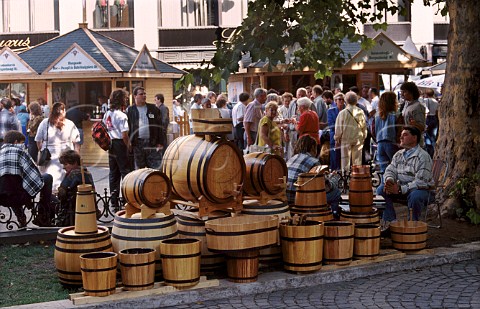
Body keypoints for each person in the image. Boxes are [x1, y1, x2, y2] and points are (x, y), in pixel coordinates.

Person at [376, 126, 434, 232]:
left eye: (405, 135)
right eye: (401, 135)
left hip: (422, 190)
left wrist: (399, 189)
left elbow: (421, 181)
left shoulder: (423, 156)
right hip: (402, 188)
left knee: (415, 196)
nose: (401, 138)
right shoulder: (398, 154)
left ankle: (413, 225)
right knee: (381, 190)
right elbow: (390, 170)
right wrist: (389, 181)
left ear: (414, 138)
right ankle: (390, 224)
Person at [0, 130, 54, 227]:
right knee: (47, 177)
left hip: (2, 198)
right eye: (21, 143)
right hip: (21, 196)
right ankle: (43, 214)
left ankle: (20, 216)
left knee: (9, 185)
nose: (23, 145)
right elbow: (34, 175)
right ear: (16, 142)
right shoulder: (20, 152)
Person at [286, 135, 342, 218]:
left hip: (288, 198)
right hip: (301, 199)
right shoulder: (314, 161)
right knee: (336, 193)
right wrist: (333, 179)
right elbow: (327, 188)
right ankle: (331, 218)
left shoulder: (291, 158)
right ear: (313, 147)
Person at [35, 102, 81, 189]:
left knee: (50, 181)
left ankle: (51, 199)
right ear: (63, 111)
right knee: (64, 181)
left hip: (49, 157)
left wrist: (42, 150)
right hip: (67, 157)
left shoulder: (45, 123)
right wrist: (76, 156)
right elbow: (77, 142)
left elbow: (38, 140)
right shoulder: (70, 124)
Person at [104, 89, 131, 209]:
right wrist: (129, 146)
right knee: (125, 171)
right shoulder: (122, 115)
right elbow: (124, 135)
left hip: (111, 144)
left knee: (113, 173)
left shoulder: (107, 114)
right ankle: (126, 199)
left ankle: (113, 201)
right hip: (120, 143)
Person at [126, 86, 165, 169]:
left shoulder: (153, 109)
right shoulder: (130, 110)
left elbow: (160, 127)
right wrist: (129, 143)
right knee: (139, 171)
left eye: (145, 94)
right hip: (137, 144)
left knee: (156, 169)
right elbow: (128, 127)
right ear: (135, 96)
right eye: (141, 94)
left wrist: (161, 143)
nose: (144, 95)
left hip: (152, 143)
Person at [56, 149, 95, 226]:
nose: (64, 167)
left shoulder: (74, 174)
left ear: (75, 163)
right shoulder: (86, 172)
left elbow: (62, 193)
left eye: (66, 164)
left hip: (72, 210)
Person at [334, 91, 367, 172]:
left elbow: (338, 127)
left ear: (346, 100)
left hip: (346, 139)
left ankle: (346, 179)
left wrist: (337, 138)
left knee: (345, 161)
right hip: (358, 139)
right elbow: (364, 126)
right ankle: (357, 178)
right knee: (357, 161)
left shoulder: (342, 113)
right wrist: (364, 136)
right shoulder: (360, 111)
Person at [374, 92, 400, 174]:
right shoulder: (396, 114)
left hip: (380, 144)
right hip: (392, 143)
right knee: (397, 170)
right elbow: (399, 130)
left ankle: (383, 186)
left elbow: (373, 130)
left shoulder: (377, 115)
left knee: (384, 173)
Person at [400, 82, 426, 146]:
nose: (402, 94)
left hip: (415, 143)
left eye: (404, 92)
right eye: (401, 92)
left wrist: (415, 124)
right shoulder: (406, 105)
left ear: (411, 92)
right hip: (407, 141)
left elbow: (422, 127)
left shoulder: (417, 107)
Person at [327, 93, 345, 171]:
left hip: (345, 137)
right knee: (334, 159)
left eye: (342, 99)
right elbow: (331, 125)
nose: (341, 101)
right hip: (334, 137)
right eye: (339, 99)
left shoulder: (346, 110)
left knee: (344, 159)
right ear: (335, 101)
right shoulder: (331, 111)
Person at [423, 88, 439, 157]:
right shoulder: (436, 102)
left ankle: (429, 152)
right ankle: (434, 151)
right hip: (434, 118)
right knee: (433, 136)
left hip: (428, 118)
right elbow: (437, 112)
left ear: (426, 94)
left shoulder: (425, 101)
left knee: (427, 136)